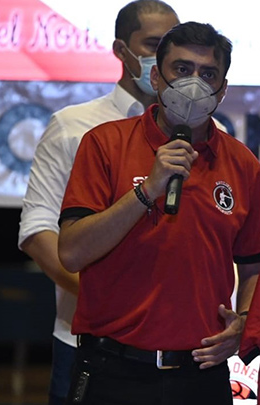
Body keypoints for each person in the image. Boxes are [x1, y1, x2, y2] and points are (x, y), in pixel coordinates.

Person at [57, 21, 260, 404]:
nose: (195, 82)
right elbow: (73, 252)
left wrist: (243, 323)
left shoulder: (242, 163)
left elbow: (255, 265)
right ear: (156, 77)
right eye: (182, 69)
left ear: (222, 90)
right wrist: (148, 189)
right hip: (113, 369)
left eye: (208, 74)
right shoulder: (105, 144)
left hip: (200, 374)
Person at [17, 2, 178, 404]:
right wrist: (108, 301)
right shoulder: (74, 126)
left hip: (182, 348)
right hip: (88, 340)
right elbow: (38, 232)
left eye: (169, 48)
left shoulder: (210, 133)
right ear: (121, 50)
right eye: (152, 45)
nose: (161, 60)